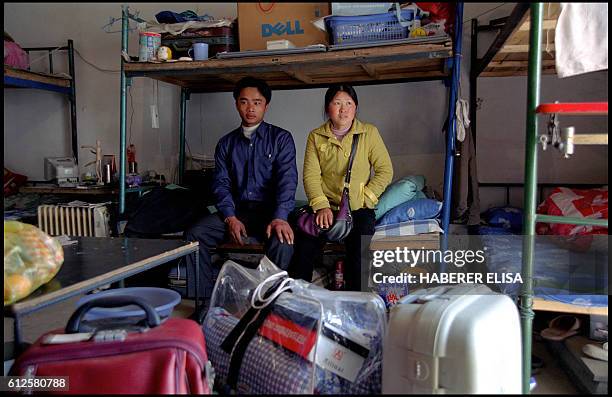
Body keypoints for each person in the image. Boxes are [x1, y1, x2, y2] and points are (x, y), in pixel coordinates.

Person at [184, 76, 297, 310]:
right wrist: (229, 217)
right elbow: (221, 183)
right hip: (238, 212)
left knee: (284, 242)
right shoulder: (226, 144)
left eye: (257, 102)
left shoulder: (281, 139)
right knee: (195, 234)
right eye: (244, 102)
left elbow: (287, 180)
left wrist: (280, 217)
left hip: (271, 213)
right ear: (236, 104)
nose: (250, 108)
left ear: (266, 105)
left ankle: (269, 305)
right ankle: (204, 303)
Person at [289, 84, 393, 291]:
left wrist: (367, 197)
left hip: (358, 208)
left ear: (355, 107)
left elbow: (385, 170)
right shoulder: (316, 136)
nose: (343, 109)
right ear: (328, 108)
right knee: (304, 245)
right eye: (337, 103)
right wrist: (321, 206)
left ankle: (356, 302)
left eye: (348, 104)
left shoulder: (369, 133)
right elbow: (310, 175)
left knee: (359, 254)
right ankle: (297, 298)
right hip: (326, 207)